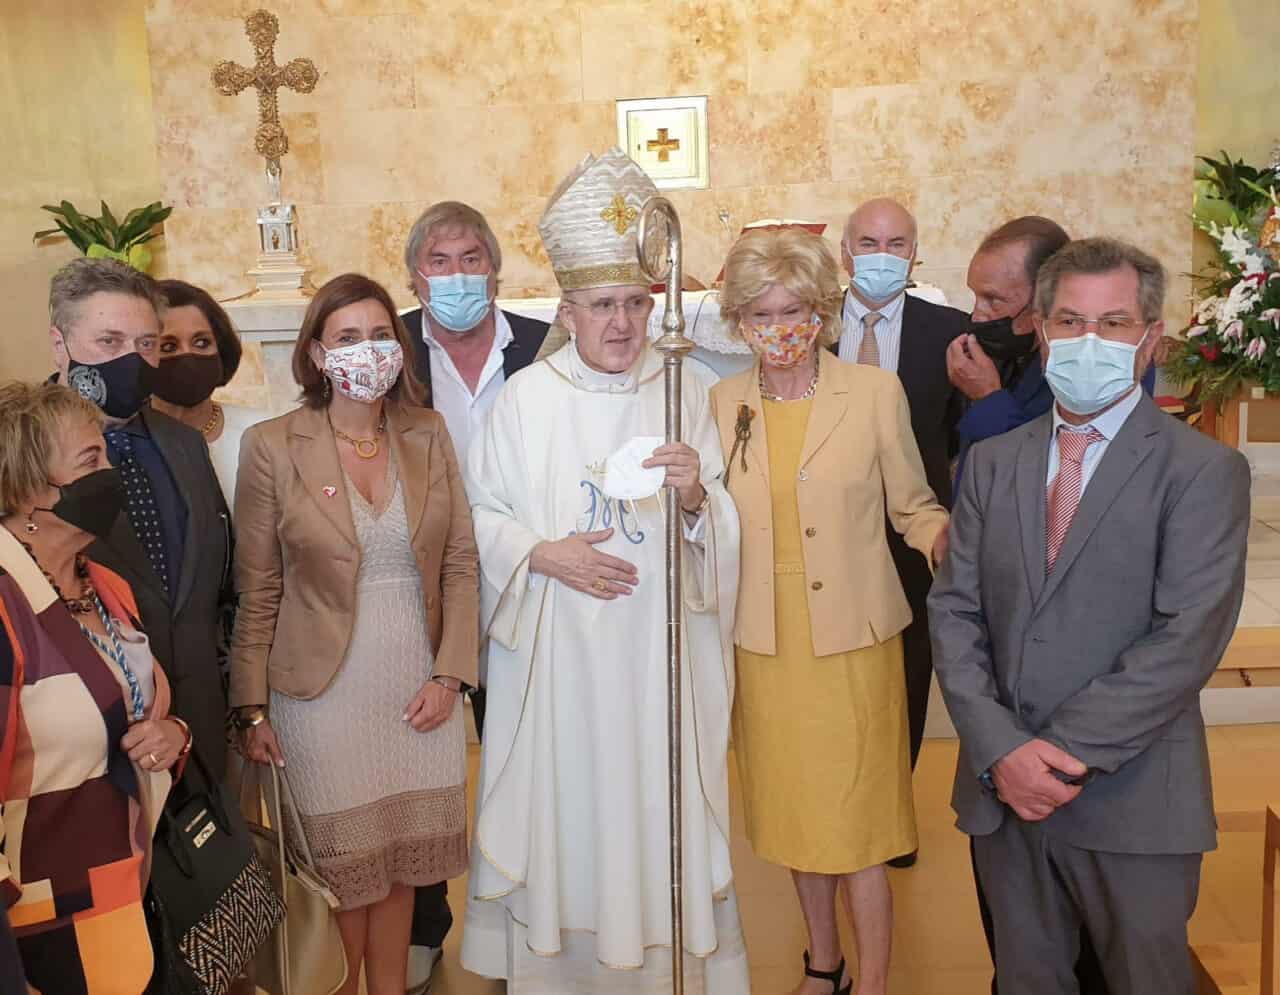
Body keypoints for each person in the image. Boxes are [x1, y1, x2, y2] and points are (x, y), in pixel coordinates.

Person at [460, 147, 749, 992]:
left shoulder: (685, 387)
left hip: (660, 665)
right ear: (567, 310)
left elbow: (722, 526)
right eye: (601, 306)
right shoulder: (527, 400)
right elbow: (481, 516)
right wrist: (542, 553)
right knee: (572, 811)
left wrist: (695, 498)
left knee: (657, 804)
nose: (621, 324)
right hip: (563, 667)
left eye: (634, 302)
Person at [929, 238, 1250, 995]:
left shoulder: (1201, 470)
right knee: (1025, 978)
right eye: (1071, 321)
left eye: (1114, 323)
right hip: (1005, 795)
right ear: (1041, 331)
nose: (1089, 341)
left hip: (1133, 795)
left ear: (1150, 337)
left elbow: (1186, 637)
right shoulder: (995, 462)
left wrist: (1058, 755)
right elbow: (954, 611)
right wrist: (1003, 750)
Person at [712, 228, 948, 995]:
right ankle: (824, 963)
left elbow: (912, 504)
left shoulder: (874, 393)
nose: (779, 327)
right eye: (761, 314)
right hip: (765, 643)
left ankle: (872, 981)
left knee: (859, 830)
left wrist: (945, 539)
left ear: (821, 310)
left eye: (793, 310)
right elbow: (708, 521)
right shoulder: (720, 404)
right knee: (796, 821)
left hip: (853, 642)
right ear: (739, 321)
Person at [230, 273, 479, 995]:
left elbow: (460, 562)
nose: (366, 350)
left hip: (419, 691)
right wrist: (250, 706)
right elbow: (258, 587)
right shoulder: (272, 445)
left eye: (378, 335)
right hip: (320, 698)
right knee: (341, 878)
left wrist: (450, 675)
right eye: (346, 337)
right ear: (316, 353)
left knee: (399, 870)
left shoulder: (427, 432)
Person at [398, 201, 550, 989]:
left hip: (524, 580)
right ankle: (425, 924)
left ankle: (529, 919)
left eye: (470, 259)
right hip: (417, 589)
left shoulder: (546, 345)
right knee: (423, 766)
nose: (457, 275)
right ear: (414, 277)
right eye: (439, 261)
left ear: (495, 268)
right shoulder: (387, 348)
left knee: (525, 757)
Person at [0, 381, 190, 994]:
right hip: (39, 925)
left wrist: (173, 735)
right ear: (28, 488)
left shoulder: (105, 585)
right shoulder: (6, 603)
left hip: (126, 892)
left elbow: (133, 708)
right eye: (90, 461)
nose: (111, 473)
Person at [48, 257, 232, 780]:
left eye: (146, 343)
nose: (132, 360)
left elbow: (214, 588)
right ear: (60, 344)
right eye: (109, 341)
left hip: (200, 733)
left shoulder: (186, 444)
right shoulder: (18, 454)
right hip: (91, 749)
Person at [838, 199, 967, 859]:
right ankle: (840, 806)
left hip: (914, 531)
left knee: (910, 670)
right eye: (868, 243)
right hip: (828, 530)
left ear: (915, 255)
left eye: (896, 244)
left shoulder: (951, 333)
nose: (881, 257)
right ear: (844, 253)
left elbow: (961, 434)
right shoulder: (805, 324)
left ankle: (892, 811)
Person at [947, 217, 1069, 493]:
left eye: (993, 300)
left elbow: (1044, 476)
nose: (977, 316)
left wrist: (988, 398)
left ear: (1045, 297)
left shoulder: (1083, 370)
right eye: (976, 296)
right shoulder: (1001, 351)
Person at [152, 278, 261, 502]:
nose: (187, 355)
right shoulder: (122, 442)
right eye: (168, 346)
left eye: (201, 343)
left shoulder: (262, 434)